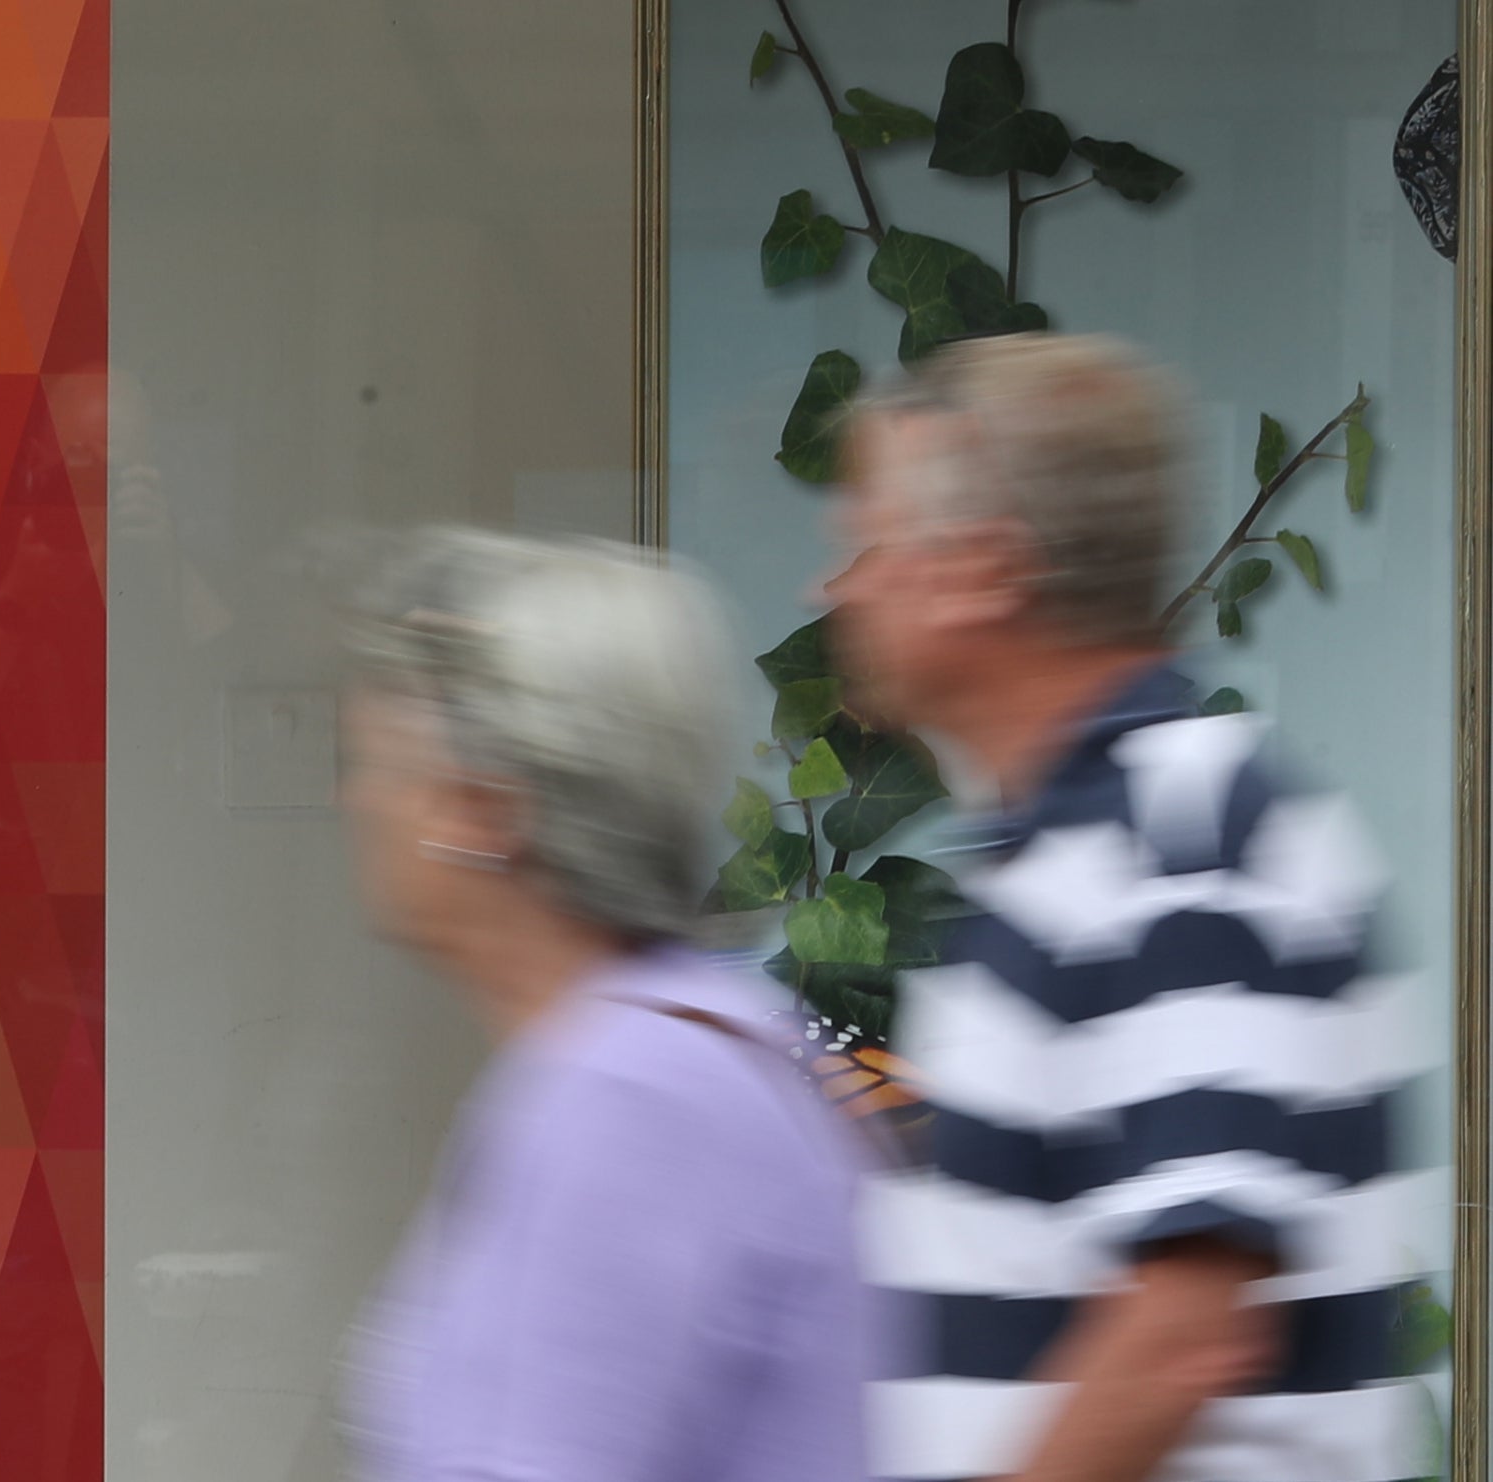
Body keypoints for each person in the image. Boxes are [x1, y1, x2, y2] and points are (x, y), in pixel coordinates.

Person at [826, 333, 1436, 1482]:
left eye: (865, 544)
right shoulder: (1078, 849)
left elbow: (1180, 1334)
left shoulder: (1182, 839)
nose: (836, 586)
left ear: (980, 568)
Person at [335, 528, 871, 1482]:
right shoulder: (673, 1051)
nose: (359, 802)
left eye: (382, 765)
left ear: (487, 810)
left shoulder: (630, 1097)